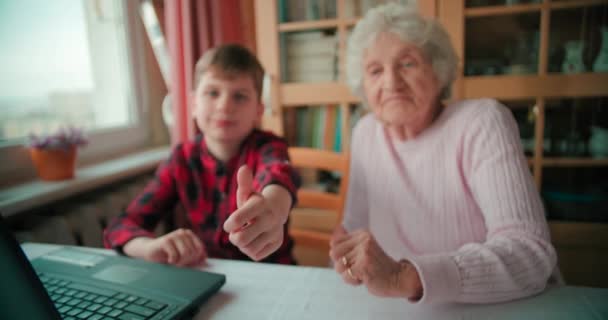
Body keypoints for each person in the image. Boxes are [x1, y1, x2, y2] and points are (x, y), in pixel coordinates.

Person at [329, 3, 557, 304]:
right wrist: (346, 254)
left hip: (506, 306)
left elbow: (530, 253)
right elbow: (354, 226)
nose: (391, 83)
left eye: (407, 64)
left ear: (438, 70)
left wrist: (405, 277)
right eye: (375, 70)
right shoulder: (365, 133)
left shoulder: (482, 122)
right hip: (404, 308)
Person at [104, 44, 300, 266]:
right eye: (213, 93)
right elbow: (121, 225)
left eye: (240, 96)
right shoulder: (181, 159)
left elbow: (279, 175)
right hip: (213, 275)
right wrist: (149, 248)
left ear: (258, 111)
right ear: (194, 104)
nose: (225, 106)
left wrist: (273, 207)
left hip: (273, 272)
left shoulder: (269, 146)